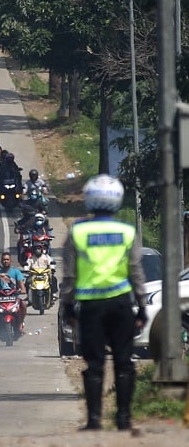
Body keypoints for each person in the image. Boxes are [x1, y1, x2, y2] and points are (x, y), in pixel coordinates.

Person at [60, 174, 147, 431]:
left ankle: (94, 420)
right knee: (124, 361)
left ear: (89, 200)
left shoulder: (78, 232)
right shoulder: (127, 231)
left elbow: (69, 275)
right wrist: (141, 305)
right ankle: (123, 419)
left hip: (90, 306)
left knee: (94, 363)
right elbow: (136, 272)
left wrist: (67, 306)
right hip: (121, 304)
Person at [0, 251, 28, 334]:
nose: (6, 261)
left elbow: (22, 286)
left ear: (10, 261)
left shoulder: (16, 272)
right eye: (4, 260)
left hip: (13, 297)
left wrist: (22, 290)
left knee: (23, 304)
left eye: (7, 259)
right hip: (1, 298)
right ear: (1, 261)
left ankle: (20, 324)